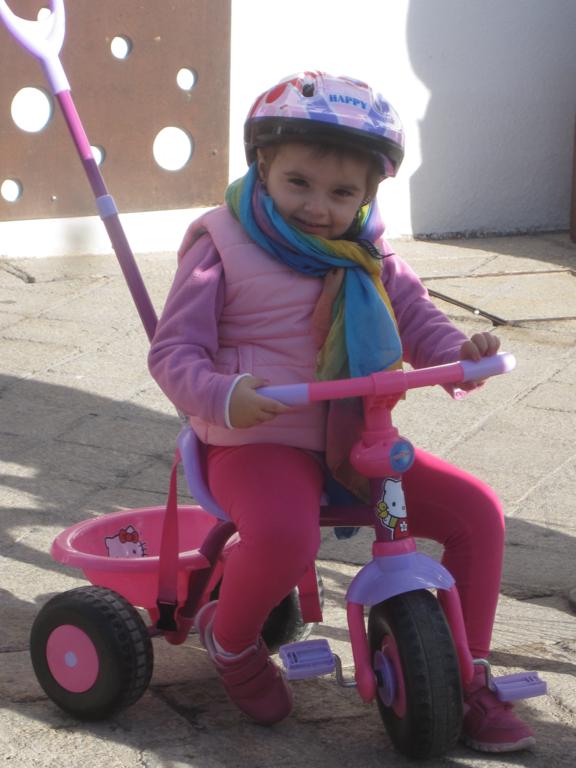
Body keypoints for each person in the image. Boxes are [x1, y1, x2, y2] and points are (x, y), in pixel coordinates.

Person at [148, 71, 535, 753]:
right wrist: (224, 394)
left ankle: (466, 672)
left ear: (368, 195)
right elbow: (173, 352)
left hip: (356, 439)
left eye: (341, 193)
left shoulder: (369, 250)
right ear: (262, 165)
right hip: (257, 440)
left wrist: (459, 353)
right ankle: (231, 640)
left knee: (476, 512)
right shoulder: (221, 243)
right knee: (283, 535)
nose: (317, 207)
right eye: (298, 182)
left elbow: (414, 315)